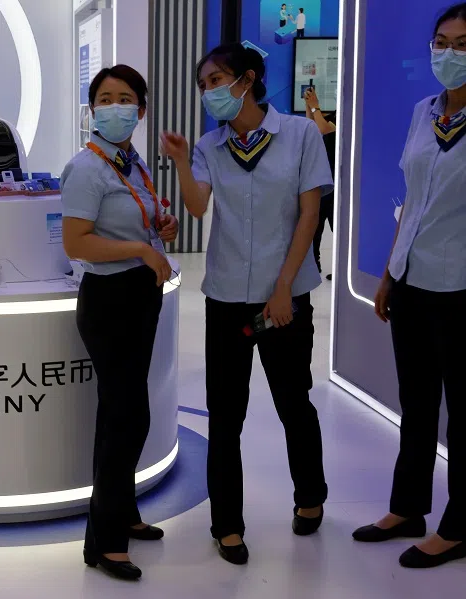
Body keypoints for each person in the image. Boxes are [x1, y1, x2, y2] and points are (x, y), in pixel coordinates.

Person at [160, 43, 332, 565]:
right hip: (228, 297)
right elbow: (195, 206)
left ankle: (310, 497)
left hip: (285, 296)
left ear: (248, 80)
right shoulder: (211, 146)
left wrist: (285, 286)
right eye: (205, 84)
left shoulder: (301, 134)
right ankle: (227, 525)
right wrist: (182, 161)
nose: (211, 91)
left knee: (293, 402)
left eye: (218, 80)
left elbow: (309, 213)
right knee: (226, 413)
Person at [353, 2, 466, 569]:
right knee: (416, 402)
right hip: (416, 281)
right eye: (442, 42)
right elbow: (412, 199)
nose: (449, 54)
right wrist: (390, 273)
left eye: (463, 44)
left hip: (463, 288)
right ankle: (408, 508)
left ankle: (460, 526)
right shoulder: (425, 111)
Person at [61, 64, 179, 581]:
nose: (116, 106)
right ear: (93, 110)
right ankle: (104, 541)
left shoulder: (130, 163)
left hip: (137, 294)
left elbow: (135, 218)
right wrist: (137, 247)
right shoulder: (87, 167)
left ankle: (121, 513)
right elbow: (77, 241)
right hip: (109, 299)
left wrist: (158, 224)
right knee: (127, 417)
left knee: (122, 413)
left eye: (126, 97)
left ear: (142, 109)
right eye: (105, 98)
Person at [304, 87, 337, 280]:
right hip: (323, 181)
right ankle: (313, 265)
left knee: (337, 229)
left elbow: (325, 128)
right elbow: (314, 128)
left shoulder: (345, 117)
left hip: (337, 184)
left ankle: (341, 267)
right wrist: (309, 107)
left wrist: (315, 107)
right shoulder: (330, 115)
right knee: (315, 228)